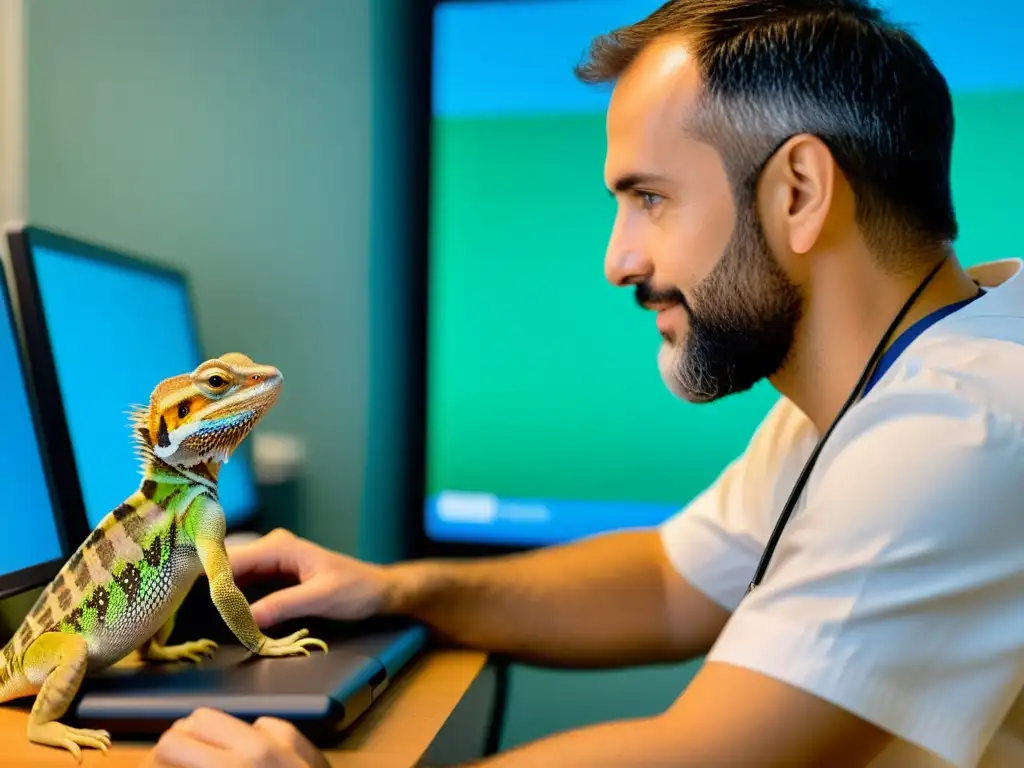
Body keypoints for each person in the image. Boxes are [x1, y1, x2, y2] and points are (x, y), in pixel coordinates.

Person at [143, 0, 1024, 766]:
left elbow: (705, 759)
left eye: (650, 198)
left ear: (798, 191)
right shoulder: (899, 366)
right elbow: (672, 582)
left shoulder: (956, 427)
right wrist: (400, 589)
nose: (618, 260)